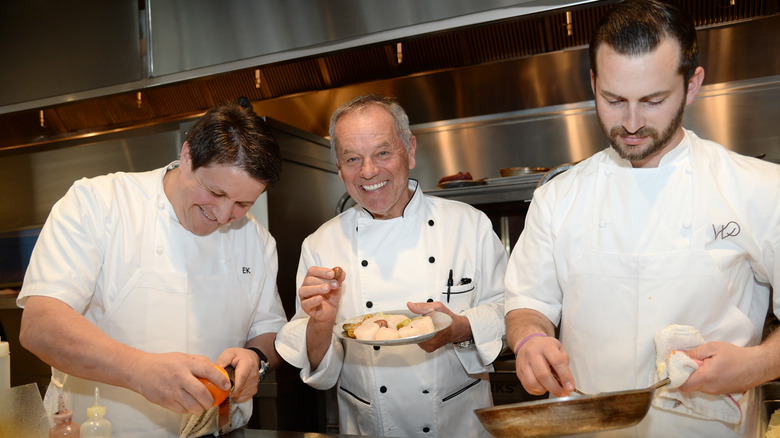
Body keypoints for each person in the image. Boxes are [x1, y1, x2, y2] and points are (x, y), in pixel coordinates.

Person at [505, 0, 780, 436]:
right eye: (613, 100)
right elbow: (529, 302)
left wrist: (759, 363)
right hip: (589, 427)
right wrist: (530, 340)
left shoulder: (761, 189)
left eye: (653, 100)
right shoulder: (557, 197)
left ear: (692, 85)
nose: (631, 124)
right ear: (593, 82)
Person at [18, 101, 287, 438]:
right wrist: (139, 370)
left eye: (242, 204)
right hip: (100, 431)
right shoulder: (98, 203)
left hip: (216, 432)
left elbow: (270, 331)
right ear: (187, 155)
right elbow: (40, 325)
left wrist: (255, 358)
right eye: (215, 192)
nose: (222, 215)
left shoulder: (257, 241)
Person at [274, 94, 506, 437]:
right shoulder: (320, 245)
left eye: (383, 152)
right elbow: (320, 366)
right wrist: (321, 324)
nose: (368, 171)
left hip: (459, 424)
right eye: (352, 159)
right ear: (339, 168)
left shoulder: (469, 225)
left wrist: (460, 327)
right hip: (371, 426)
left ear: (410, 151)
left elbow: (511, 309)